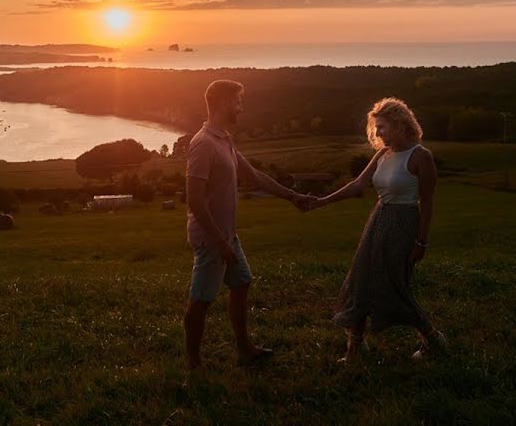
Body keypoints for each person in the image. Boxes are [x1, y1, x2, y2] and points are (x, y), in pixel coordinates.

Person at [184, 79, 313, 372]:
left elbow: (254, 176)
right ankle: (193, 364)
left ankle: (244, 349)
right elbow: (194, 199)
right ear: (223, 102)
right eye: (238, 101)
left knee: (241, 282)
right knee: (201, 299)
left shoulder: (224, 139)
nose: (242, 108)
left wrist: (293, 197)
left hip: (228, 236)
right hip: (212, 239)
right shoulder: (203, 144)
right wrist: (219, 242)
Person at [312, 97, 447, 362]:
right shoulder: (383, 154)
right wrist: (323, 201)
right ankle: (355, 348)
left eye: (382, 127)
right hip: (378, 220)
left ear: (400, 124)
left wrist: (421, 243)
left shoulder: (421, 156)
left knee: (394, 285)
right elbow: (358, 185)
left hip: (404, 223)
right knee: (360, 280)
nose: (377, 133)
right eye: (376, 128)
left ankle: (433, 339)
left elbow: (428, 202)